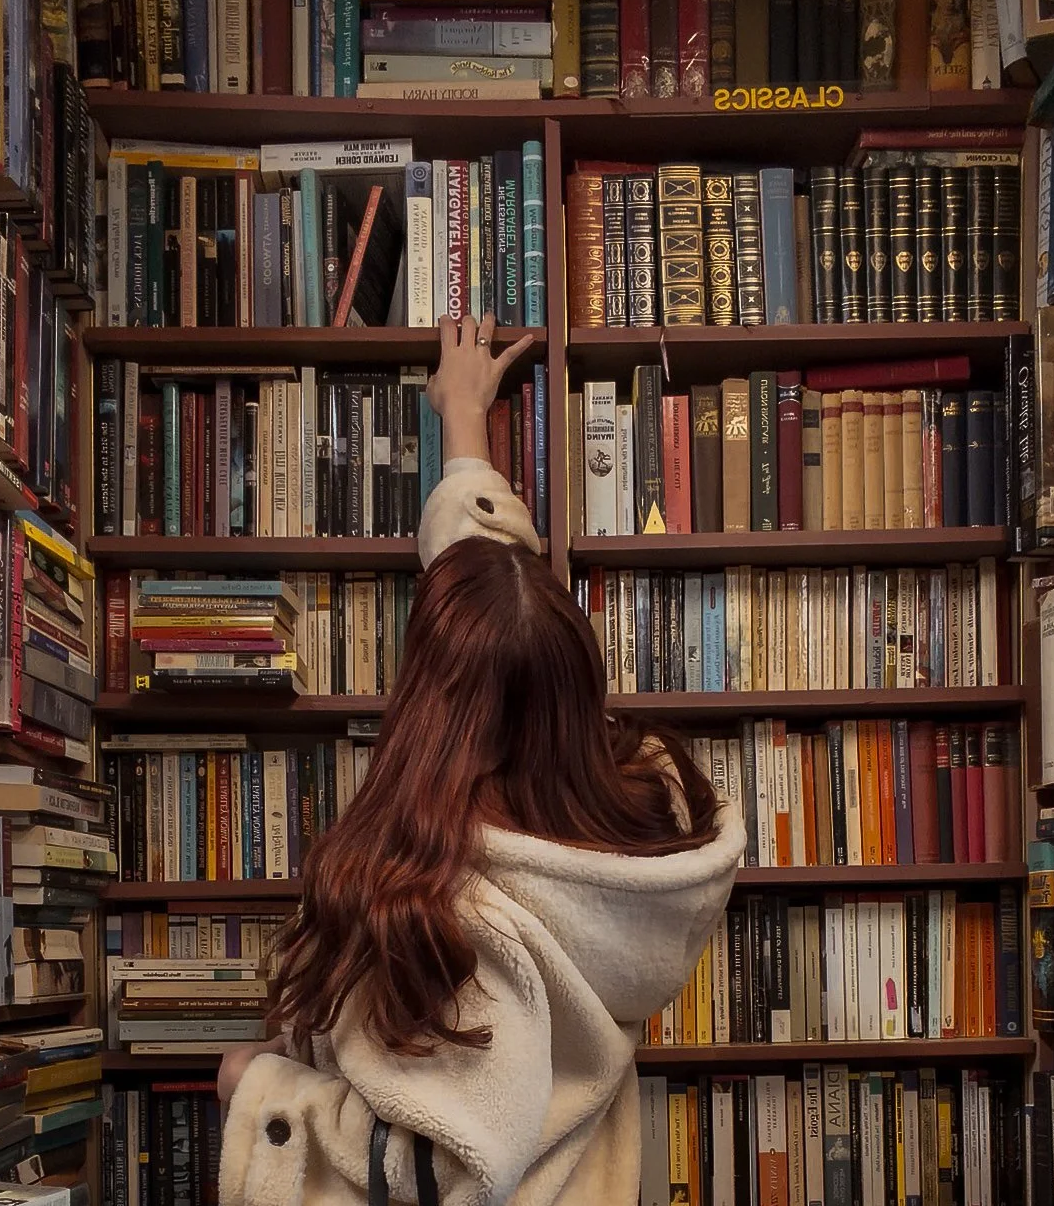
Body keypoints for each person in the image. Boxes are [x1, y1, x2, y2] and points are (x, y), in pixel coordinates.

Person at [217, 314, 745, 1206]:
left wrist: (261, 1096)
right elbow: (501, 627)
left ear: (429, 699)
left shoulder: (460, 912)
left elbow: (443, 1175)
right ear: (573, 688)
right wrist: (463, 425)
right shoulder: (633, 822)